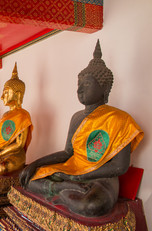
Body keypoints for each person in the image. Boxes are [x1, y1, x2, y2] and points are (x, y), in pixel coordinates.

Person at [19, 40, 144, 217]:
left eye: (86, 84)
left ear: (105, 87)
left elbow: (119, 167)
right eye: (78, 83)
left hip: (101, 177)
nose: (79, 89)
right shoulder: (77, 117)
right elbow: (67, 153)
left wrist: (81, 177)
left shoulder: (119, 119)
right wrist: (35, 164)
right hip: (72, 170)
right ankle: (64, 189)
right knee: (27, 178)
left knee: (92, 205)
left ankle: (63, 191)